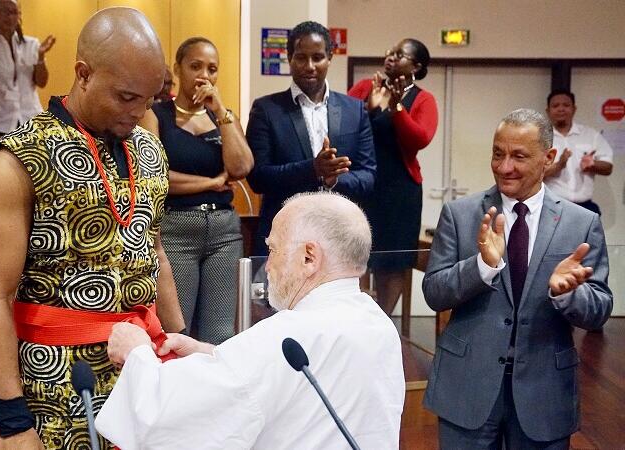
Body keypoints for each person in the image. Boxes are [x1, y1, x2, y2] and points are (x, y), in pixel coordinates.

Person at [0, 8, 185, 450]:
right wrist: (11, 420)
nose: (140, 112)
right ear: (83, 74)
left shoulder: (148, 149)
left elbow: (155, 252)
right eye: (126, 97)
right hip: (59, 382)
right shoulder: (19, 158)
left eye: (149, 99)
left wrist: (177, 341)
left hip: (142, 367)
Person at [96, 191, 405, 449]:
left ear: (309, 257)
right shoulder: (376, 321)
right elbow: (299, 386)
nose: (267, 266)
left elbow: (167, 415)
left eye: (273, 249)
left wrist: (136, 353)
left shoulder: (287, 334)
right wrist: (212, 355)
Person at [423, 109, 612, 449]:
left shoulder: (580, 224)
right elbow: (434, 292)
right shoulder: (460, 214)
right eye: (498, 153)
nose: (504, 166)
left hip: (544, 393)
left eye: (519, 156)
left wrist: (567, 294)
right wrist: (482, 267)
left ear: (549, 157)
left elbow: (599, 309)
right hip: (467, 389)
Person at [140, 37, 254, 344]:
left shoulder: (223, 117)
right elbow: (156, 176)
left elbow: (242, 166)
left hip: (224, 232)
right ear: (177, 69)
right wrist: (212, 183)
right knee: (178, 331)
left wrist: (219, 111)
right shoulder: (156, 114)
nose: (204, 75)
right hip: (176, 229)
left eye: (212, 69)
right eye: (195, 66)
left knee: (220, 334)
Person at [245, 20, 375, 256]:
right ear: (289, 57)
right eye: (301, 57)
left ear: (330, 57)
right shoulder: (266, 109)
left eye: (317, 57)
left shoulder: (354, 110)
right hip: (284, 235)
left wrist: (333, 180)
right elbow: (258, 177)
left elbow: (368, 176)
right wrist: (312, 169)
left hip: (338, 237)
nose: (310, 66)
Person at [348, 38, 438, 315]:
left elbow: (419, 139)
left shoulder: (423, 99)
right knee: (356, 257)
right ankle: (357, 318)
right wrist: (370, 107)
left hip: (400, 192)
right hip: (363, 187)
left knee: (393, 261)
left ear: (416, 66)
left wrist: (397, 108)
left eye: (400, 54)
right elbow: (343, 123)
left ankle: (383, 319)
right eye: (390, 51)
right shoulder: (365, 87)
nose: (390, 56)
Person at [0, 0, 56, 136]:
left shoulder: (32, 44)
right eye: (5, 11)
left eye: (14, 12)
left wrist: (40, 56)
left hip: (30, 120)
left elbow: (42, 83)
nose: (10, 17)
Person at [544, 88, 614, 215]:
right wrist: (559, 165)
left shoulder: (591, 135)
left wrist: (593, 165)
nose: (561, 109)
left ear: (574, 109)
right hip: (552, 207)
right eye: (555, 106)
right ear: (548, 111)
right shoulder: (540, 138)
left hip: (585, 207)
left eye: (566, 105)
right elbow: (534, 174)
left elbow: (608, 167)